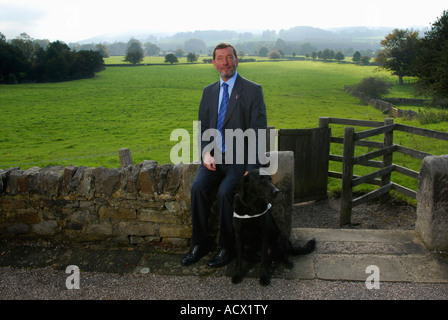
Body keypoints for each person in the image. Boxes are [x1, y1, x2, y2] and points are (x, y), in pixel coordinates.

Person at [181, 43, 268, 268]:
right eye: (220, 58)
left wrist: (252, 166)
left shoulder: (252, 90)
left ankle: (227, 247)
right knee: (198, 188)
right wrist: (205, 153)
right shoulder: (208, 91)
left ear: (236, 60)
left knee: (224, 193)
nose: (225, 62)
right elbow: (202, 127)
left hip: (238, 158)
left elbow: (258, 130)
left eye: (229, 58)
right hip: (213, 158)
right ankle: (200, 244)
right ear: (214, 63)